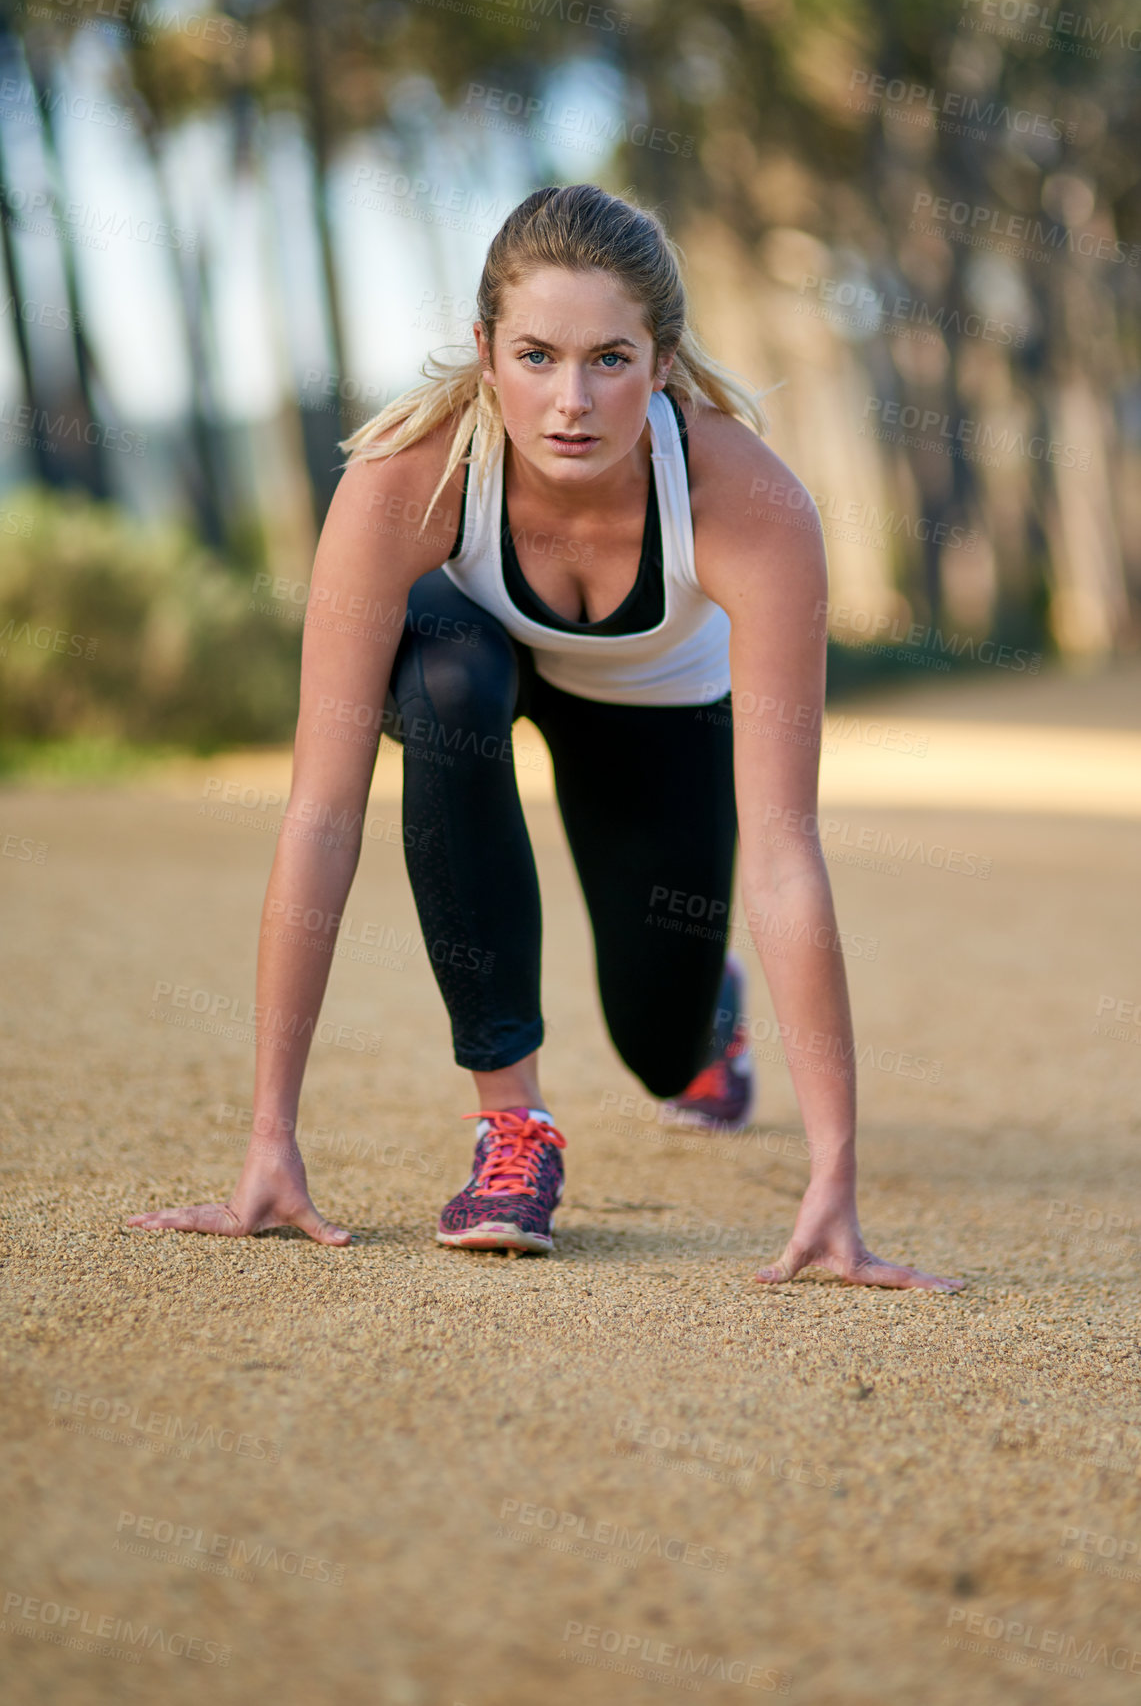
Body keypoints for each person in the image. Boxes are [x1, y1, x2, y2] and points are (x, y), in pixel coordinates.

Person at [129, 183, 962, 1293]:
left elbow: (783, 850)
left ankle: (706, 1012)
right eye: (535, 355)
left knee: (659, 1044)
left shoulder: (748, 505)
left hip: (657, 707)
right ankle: (511, 1127)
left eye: (609, 359)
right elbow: (322, 813)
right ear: (484, 352)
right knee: (445, 688)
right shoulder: (403, 483)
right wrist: (267, 1137)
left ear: (662, 361)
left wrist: (835, 1178)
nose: (570, 400)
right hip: (480, 658)